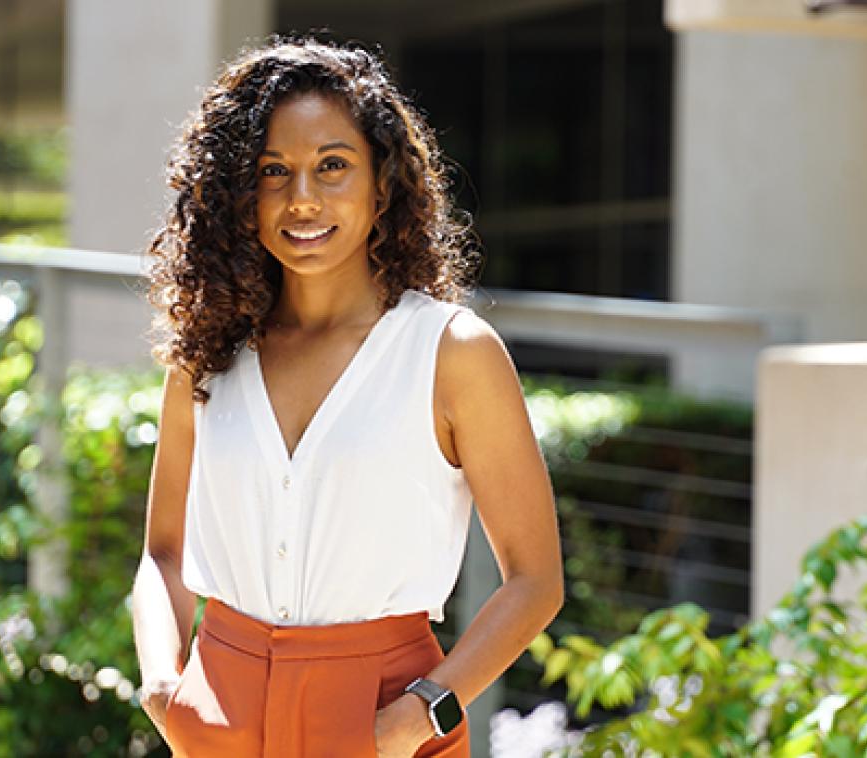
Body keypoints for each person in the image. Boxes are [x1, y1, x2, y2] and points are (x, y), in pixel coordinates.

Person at [131, 34, 564, 758]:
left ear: (383, 183)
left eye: (332, 166)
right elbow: (164, 555)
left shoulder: (451, 353)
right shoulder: (208, 350)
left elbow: (535, 581)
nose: (303, 200)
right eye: (275, 172)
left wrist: (423, 712)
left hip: (382, 717)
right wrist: (159, 684)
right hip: (218, 710)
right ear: (241, 192)